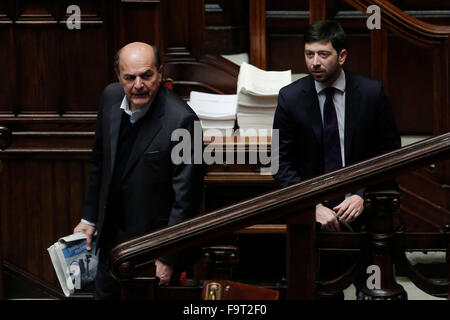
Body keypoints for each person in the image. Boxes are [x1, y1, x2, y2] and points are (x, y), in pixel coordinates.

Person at [272, 20, 401, 298]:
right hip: (313, 216)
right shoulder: (290, 98)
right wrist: (311, 206)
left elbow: (390, 154)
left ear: (341, 56)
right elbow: (280, 164)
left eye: (323, 54)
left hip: (365, 214)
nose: (315, 62)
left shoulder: (371, 93)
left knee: (375, 291)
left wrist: (362, 195)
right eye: (309, 54)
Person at [73, 42, 204, 299]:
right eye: (129, 77)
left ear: (160, 72)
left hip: (151, 246)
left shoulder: (183, 121)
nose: (138, 85)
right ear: (118, 76)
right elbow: (100, 161)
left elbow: (186, 199)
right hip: (109, 239)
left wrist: (167, 257)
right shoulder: (110, 97)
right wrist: (89, 219)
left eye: (146, 75)